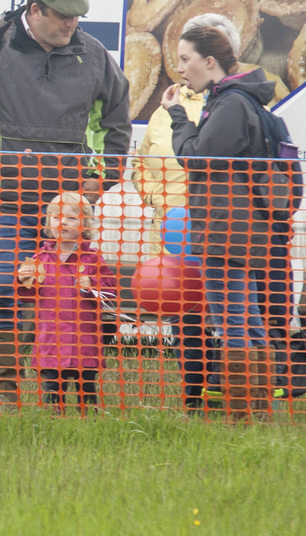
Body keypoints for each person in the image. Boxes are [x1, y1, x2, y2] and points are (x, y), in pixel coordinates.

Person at [0, 0, 131, 406]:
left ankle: (68, 392)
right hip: (5, 198)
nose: (71, 25)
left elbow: (115, 120)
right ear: (34, 11)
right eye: (62, 17)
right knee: (3, 291)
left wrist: (100, 179)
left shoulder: (92, 55)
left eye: (77, 18)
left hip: (68, 205)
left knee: (72, 299)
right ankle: (7, 389)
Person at [162, 18, 276, 422]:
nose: (180, 67)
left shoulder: (230, 103)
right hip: (243, 227)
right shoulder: (240, 99)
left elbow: (196, 158)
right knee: (247, 317)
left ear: (209, 61)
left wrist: (178, 115)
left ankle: (241, 414)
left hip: (224, 229)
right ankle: (259, 410)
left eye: (185, 59)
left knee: (232, 323)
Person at [132, 85, 210, 412]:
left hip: (209, 227)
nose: (180, 69)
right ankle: (193, 395)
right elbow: (141, 164)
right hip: (168, 232)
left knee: (217, 315)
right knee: (183, 318)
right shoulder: (162, 110)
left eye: (186, 59)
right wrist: (155, 198)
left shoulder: (220, 103)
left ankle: (222, 390)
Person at [16, 191, 117, 414]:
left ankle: (89, 417)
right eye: (56, 217)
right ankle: (55, 419)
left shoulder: (92, 258)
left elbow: (111, 290)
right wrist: (23, 280)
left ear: (85, 224)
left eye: (70, 218)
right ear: (48, 222)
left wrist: (93, 282)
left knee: (86, 387)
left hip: (85, 339)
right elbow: (25, 296)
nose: (62, 222)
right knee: (53, 387)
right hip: (51, 340)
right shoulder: (39, 259)